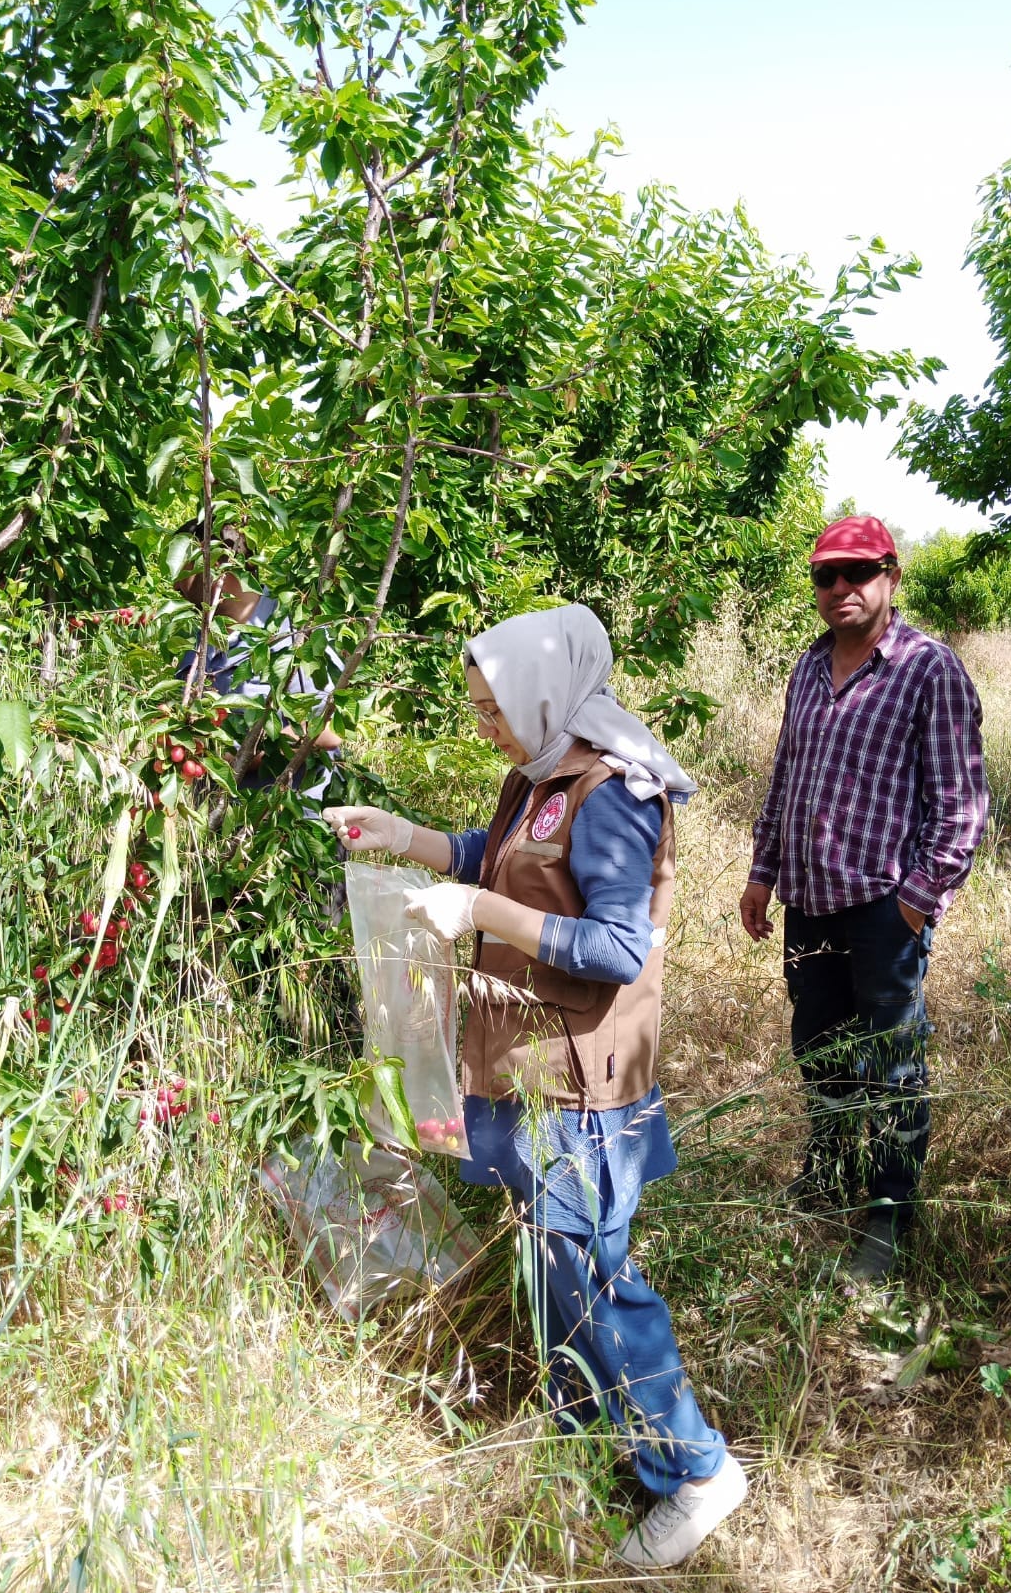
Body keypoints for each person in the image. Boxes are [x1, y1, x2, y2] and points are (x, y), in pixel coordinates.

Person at [324, 604, 748, 1569]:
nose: (487, 725)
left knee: (596, 1282)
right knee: (559, 1274)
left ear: (546, 690)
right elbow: (498, 856)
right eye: (477, 708)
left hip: (582, 1085)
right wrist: (408, 837)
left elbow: (612, 946)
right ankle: (605, 1444)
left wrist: (479, 911)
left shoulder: (613, 791)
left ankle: (697, 1468)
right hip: (528, 1070)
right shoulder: (540, 770)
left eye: (494, 707)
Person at [739, 515, 989, 1285]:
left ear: (891, 576)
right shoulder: (807, 669)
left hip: (885, 905)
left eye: (858, 571)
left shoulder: (928, 668)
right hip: (809, 900)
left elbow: (962, 803)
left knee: (893, 1060)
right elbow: (786, 777)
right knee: (820, 1048)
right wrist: (762, 872)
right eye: (826, 575)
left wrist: (915, 901)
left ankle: (888, 1210)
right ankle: (831, 1167)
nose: (841, 587)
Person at [174, 521, 343, 813]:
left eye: (181, 569)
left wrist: (239, 755)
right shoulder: (201, 638)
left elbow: (329, 732)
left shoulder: (295, 634)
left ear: (218, 564)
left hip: (290, 825)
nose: (176, 584)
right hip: (220, 823)